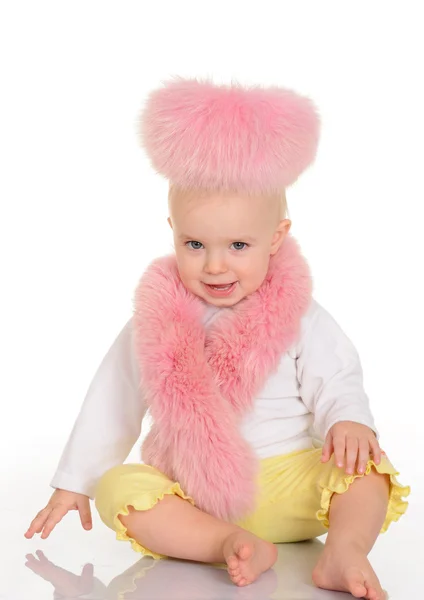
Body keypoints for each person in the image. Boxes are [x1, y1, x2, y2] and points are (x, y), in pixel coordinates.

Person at [25, 77, 410, 600]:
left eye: (238, 244)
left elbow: (335, 376)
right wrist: (76, 479)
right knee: (119, 486)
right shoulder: (154, 319)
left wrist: (347, 420)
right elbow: (113, 398)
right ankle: (226, 542)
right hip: (194, 495)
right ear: (172, 232)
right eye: (194, 243)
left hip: (290, 482)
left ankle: (343, 548)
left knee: (367, 469)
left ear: (277, 237)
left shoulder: (300, 315)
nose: (214, 264)